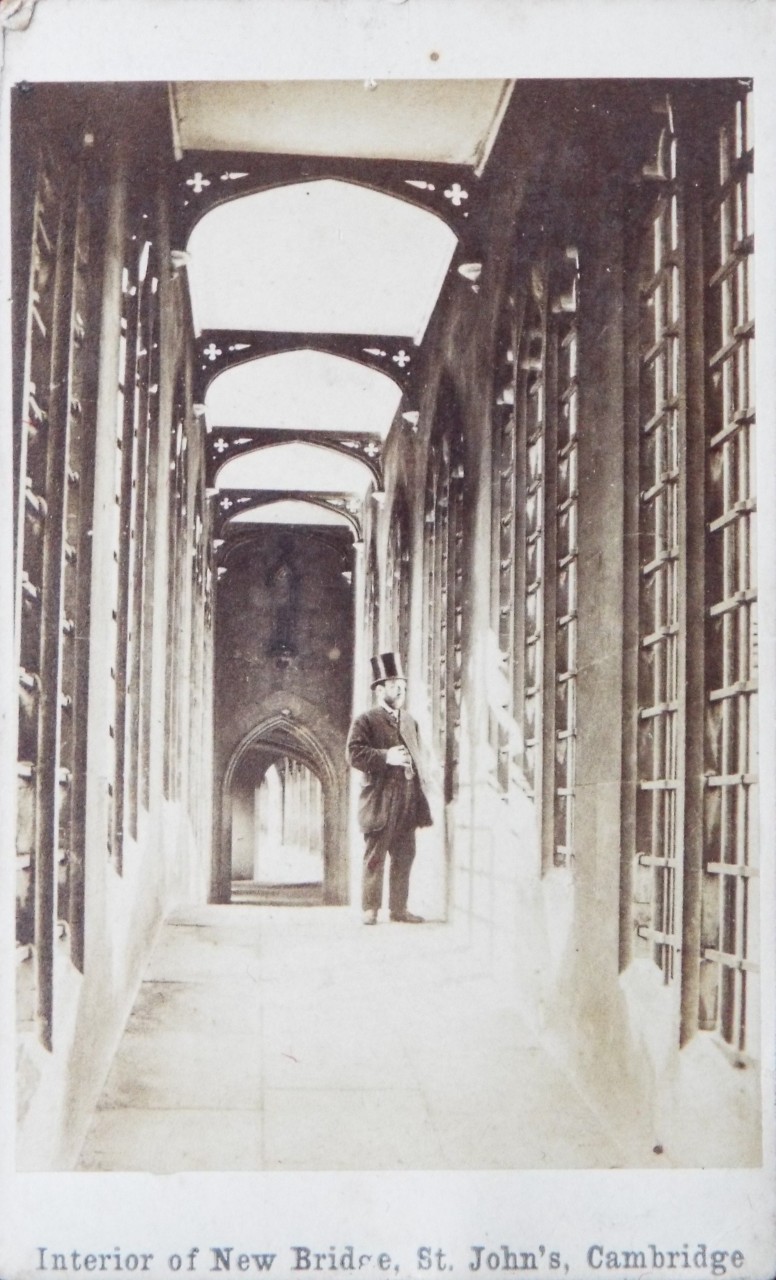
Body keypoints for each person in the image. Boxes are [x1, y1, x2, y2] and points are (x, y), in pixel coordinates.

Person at [346, 652, 433, 925]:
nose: (400, 690)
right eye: (394, 685)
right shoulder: (366, 720)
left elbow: (418, 754)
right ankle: (370, 909)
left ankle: (399, 909)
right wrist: (386, 757)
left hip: (408, 798)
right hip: (380, 799)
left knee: (405, 854)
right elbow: (353, 754)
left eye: (402, 686)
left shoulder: (410, 721)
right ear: (379, 690)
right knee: (375, 855)